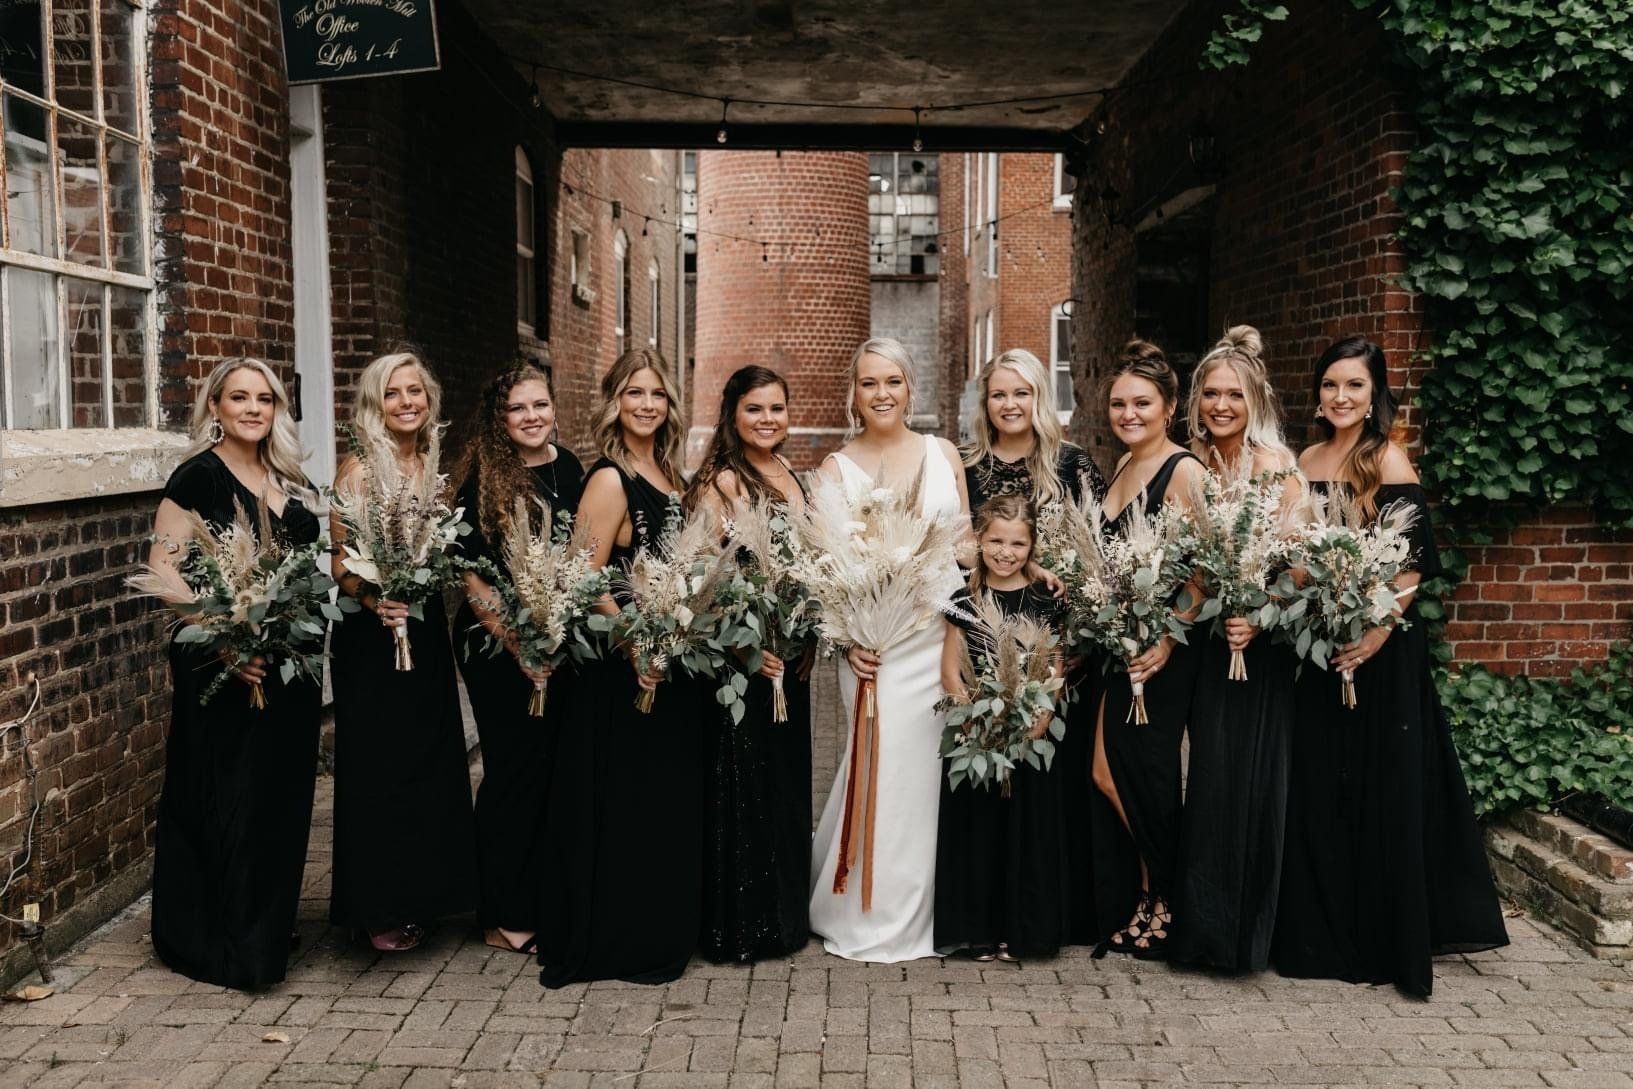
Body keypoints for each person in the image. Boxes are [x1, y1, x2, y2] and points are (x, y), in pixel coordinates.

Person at [1272, 335, 1507, 996]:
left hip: (1380, 648)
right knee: (1321, 784)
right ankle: (1321, 933)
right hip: (1318, 643)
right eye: (1328, 385)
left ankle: (1381, 939)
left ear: (1374, 394)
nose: (1338, 397)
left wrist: (1374, 634)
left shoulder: (1386, 459)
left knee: (1379, 784)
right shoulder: (1306, 458)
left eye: (1352, 386)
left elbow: (1408, 566)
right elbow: (1293, 552)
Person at [147, 358, 323, 989]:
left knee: (279, 796)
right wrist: (224, 639)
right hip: (223, 662)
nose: (253, 409)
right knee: (229, 796)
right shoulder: (197, 477)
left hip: (288, 665)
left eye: (264, 399)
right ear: (215, 407)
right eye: (238, 398)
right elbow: (164, 571)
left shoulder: (287, 477)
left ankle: (265, 921)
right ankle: (218, 937)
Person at [536, 348, 703, 986]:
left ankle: (658, 923)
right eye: (634, 393)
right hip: (623, 664)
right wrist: (636, 639)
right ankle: (619, 935)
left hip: (672, 656)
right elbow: (584, 576)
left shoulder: (671, 474)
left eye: (657, 394)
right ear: (615, 402)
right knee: (625, 799)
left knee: (660, 799)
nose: (646, 405)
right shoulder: (609, 479)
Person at [809, 337, 970, 963]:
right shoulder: (835, 469)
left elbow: (966, 551)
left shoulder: (943, 453)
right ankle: (865, 905)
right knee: (878, 771)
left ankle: (929, 908)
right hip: (872, 647)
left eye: (894, 381)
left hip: (937, 643)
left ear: (911, 389)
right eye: (870, 382)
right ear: (854, 393)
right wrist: (849, 641)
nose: (882, 394)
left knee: (927, 774)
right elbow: (823, 571)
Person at [327, 351, 477, 953]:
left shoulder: (437, 468)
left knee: (430, 760)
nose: (407, 402)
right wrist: (375, 601)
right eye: (393, 394)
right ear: (374, 404)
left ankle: (427, 894)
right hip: (372, 635)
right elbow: (341, 561)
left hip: (423, 628)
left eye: (415, 391)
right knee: (380, 768)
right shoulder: (359, 468)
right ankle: (377, 906)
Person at [1167, 327, 1302, 973]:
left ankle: (1247, 936)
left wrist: (1258, 610)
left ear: (1254, 400)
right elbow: (1184, 564)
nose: (1221, 405)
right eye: (1211, 393)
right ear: (1196, 399)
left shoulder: (1276, 466)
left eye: (1233, 395)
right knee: (1209, 784)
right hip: (1206, 644)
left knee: (1250, 785)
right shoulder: (1189, 462)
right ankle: (1203, 929)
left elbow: (1298, 565)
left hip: (1257, 645)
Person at [962, 347, 1107, 943]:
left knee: (1057, 781)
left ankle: (1055, 911)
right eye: (999, 393)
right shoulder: (967, 470)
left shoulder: (1072, 465)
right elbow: (957, 549)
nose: (1010, 404)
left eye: (1022, 393)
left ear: (1040, 398)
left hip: (1061, 646)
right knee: (994, 778)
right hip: (986, 646)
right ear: (986, 402)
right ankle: (992, 911)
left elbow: (1101, 546)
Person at [450, 363, 585, 956]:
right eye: (518, 409)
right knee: (512, 771)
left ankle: (544, 896)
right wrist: (518, 644)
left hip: (557, 637)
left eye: (540, 405)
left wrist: (556, 632)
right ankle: (500, 914)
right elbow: (473, 578)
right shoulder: (483, 475)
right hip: (497, 640)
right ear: (499, 420)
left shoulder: (571, 467)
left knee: (554, 770)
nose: (532, 417)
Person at [685, 365, 814, 964]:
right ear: (733, 414)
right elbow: (702, 580)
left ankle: (786, 918)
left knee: (786, 785)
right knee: (746, 785)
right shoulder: (722, 483)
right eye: (755, 409)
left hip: (789, 656)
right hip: (742, 664)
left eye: (777, 409)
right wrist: (741, 643)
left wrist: (806, 631)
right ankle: (744, 925)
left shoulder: (791, 473)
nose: (768, 420)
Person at [1090, 338, 1205, 960]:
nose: (1128, 413)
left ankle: (1166, 899)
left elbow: (1202, 573)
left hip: (1163, 652)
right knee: (1108, 773)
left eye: (1141, 403)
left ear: (1169, 406)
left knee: (1148, 777)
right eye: (1118, 403)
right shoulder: (1122, 466)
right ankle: (1148, 890)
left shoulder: (1182, 470)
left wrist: (1165, 638)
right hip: (1121, 645)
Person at [934, 494, 1069, 962]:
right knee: (981, 834)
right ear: (978, 540)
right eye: (995, 541)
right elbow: (951, 670)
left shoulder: (1041, 598)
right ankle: (980, 932)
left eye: (1017, 543)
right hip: (978, 735)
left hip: (1029, 733)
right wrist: (974, 717)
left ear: (1031, 548)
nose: (1005, 552)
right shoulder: (965, 600)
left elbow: (1053, 666)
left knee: (1024, 834)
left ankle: (1024, 932)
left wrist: (1040, 717)